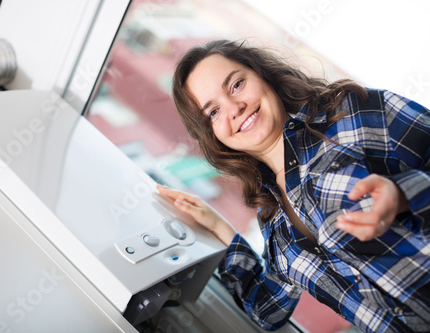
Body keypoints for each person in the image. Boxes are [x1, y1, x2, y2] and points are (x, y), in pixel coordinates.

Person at [156, 39, 430, 332]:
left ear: (262, 74)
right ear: (212, 134)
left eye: (236, 85)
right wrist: (220, 230)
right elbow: (268, 310)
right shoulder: (273, 222)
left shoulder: (352, 113)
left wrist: (404, 194)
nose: (234, 108)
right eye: (213, 112)